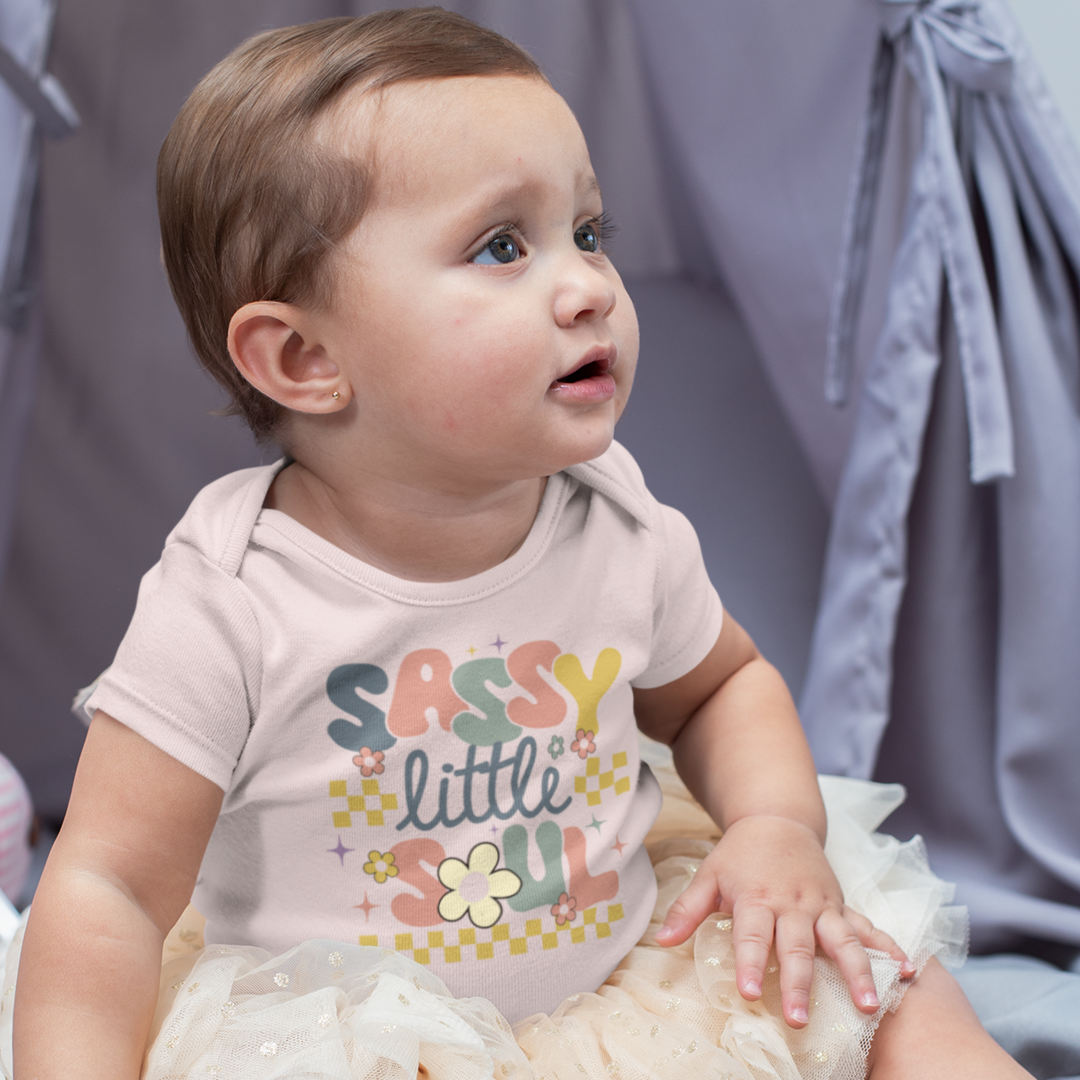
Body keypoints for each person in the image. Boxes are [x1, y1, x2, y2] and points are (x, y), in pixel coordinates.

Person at [7, 9, 1032, 1079]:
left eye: (588, 232)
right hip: (354, 1044)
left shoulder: (618, 523)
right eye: (503, 245)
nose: (589, 285)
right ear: (305, 357)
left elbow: (723, 687)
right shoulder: (233, 598)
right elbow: (109, 885)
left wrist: (774, 823)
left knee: (878, 977)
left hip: (628, 988)